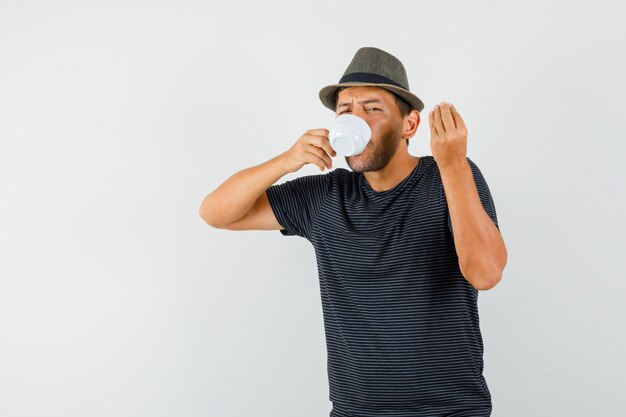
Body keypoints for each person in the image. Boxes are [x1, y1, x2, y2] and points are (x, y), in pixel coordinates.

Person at [199, 47, 508, 417]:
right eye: (345, 110)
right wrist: (286, 161)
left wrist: (454, 163)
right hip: (354, 411)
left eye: (372, 108)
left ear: (409, 124)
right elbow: (216, 212)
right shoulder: (325, 196)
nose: (355, 118)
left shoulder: (449, 176)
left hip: (449, 410)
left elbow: (486, 273)